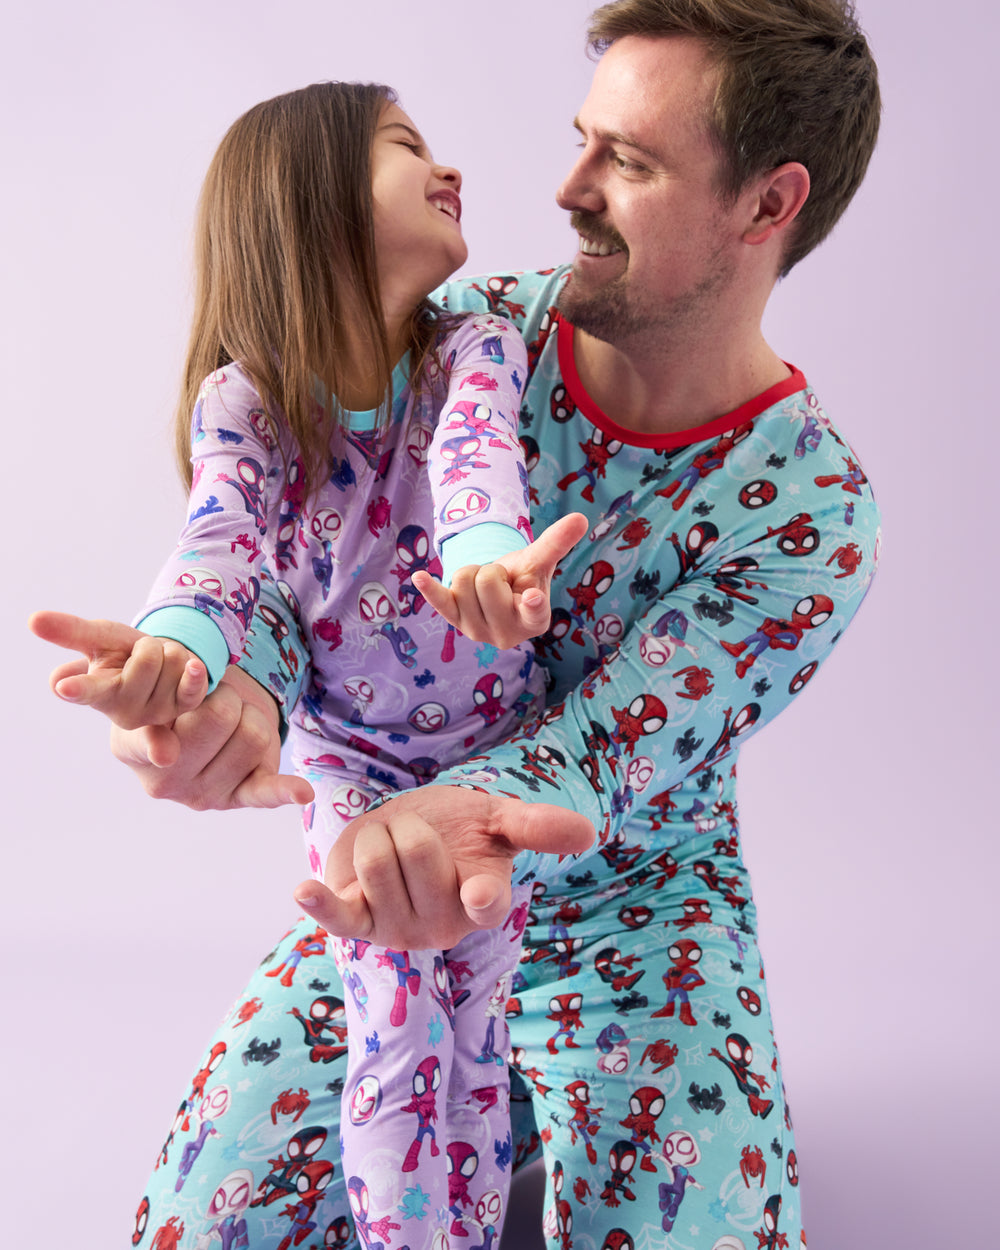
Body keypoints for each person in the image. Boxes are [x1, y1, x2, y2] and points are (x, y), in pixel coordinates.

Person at [47, 2, 882, 1246]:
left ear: (767, 207)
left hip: (634, 917)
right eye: (582, 138)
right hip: (376, 884)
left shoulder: (812, 512)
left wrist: (447, 825)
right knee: (194, 1228)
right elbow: (302, 572)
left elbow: (611, 743)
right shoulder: (462, 336)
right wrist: (233, 695)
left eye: (630, 163)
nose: (567, 187)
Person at [30, 81, 593, 1250]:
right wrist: (170, 655)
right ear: (314, 201)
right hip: (352, 769)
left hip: (488, 773)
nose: (449, 170)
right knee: (396, 1023)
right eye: (407, 147)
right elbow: (215, 550)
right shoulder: (247, 401)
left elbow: (475, 462)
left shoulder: (471, 347)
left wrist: (489, 561)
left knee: (474, 1038)